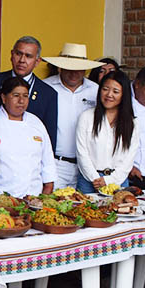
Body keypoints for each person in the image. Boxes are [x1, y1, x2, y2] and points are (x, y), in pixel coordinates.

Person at [42, 43, 103, 189]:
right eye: (69, 68)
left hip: (88, 165)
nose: (74, 73)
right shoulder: (46, 87)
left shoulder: (96, 91)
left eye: (79, 69)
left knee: (84, 209)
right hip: (56, 163)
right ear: (60, 67)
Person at [0, 36, 58, 150]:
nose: (22, 60)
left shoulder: (48, 93)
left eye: (28, 56)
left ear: (37, 61)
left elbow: (49, 139)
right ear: (12, 54)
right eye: (18, 54)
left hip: (29, 157)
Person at [75, 71, 139, 193]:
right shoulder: (86, 117)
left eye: (115, 91)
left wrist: (110, 180)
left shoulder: (132, 123)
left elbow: (129, 157)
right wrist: (96, 179)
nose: (109, 95)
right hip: (89, 181)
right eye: (105, 89)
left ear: (123, 95)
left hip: (118, 181)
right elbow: (81, 152)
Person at [0, 77, 56, 197]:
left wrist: (47, 190)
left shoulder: (36, 122)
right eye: (16, 95)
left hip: (33, 196)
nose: (21, 101)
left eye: (25, 96)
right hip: (0, 196)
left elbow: (47, 159)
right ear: (4, 98)